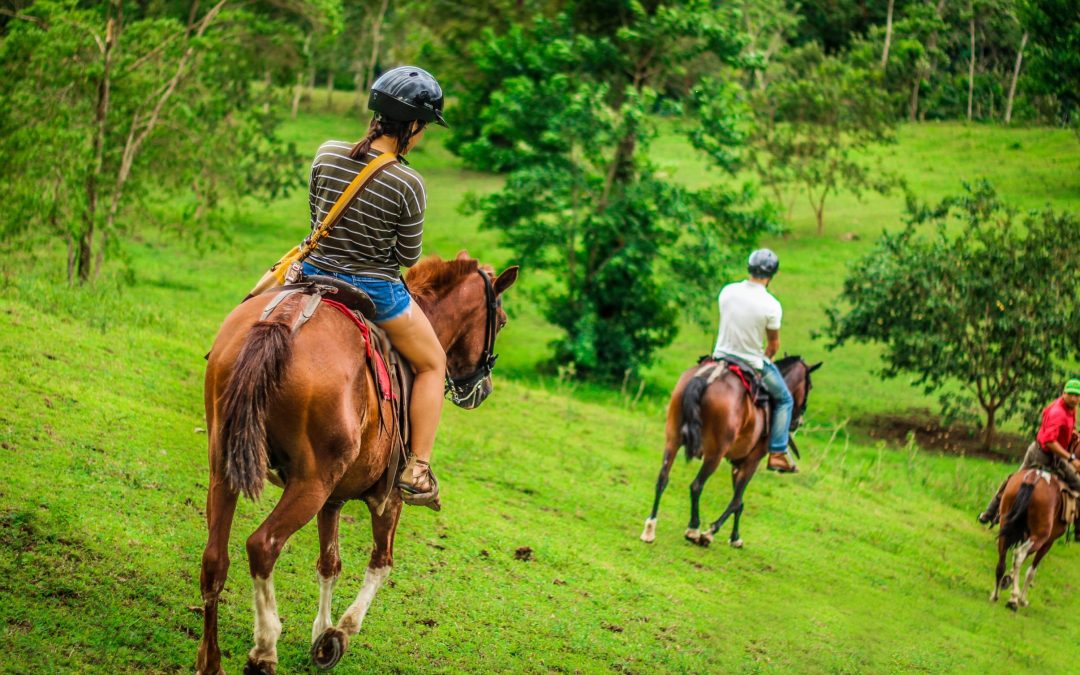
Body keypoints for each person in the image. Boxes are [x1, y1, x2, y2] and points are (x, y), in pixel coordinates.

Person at [300, 65, 448, 510]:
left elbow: (315, 219)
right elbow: (407, 256)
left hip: (310, 273)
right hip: (373, 288)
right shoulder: (408, 182)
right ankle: (417, 465)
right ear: (415, 126)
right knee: (433, 363)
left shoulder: (326, 152)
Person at [712, 249, 797, 473]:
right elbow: (773, 344)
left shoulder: (727, 291)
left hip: (720, 356)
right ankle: (778, 452)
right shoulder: (771, 305)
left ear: (749, 268)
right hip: (751, 361)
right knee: (785, 399)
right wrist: (768, 357)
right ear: (771, 275)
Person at [978, 379, 1080, 524]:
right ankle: (990, 513)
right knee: (1014, 481)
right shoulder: (1058, 412)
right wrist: (1071, 458)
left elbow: (1060, 429)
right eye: (1071, 395)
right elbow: (1050, 442)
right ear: (1063, 394)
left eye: (1077, 395)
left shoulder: (1071, 409)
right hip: (1040, 454)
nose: (1075, 398)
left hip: (1056, 455)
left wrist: (1072, 433)